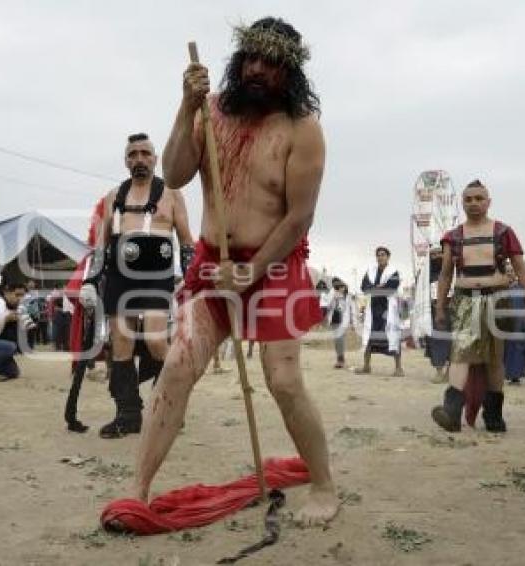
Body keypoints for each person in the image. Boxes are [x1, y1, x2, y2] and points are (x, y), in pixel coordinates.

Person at [115, 17, 336, 526]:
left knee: (283, 382)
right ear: (240, 60)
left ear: (290, 71)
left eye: (272, 63)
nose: (258, 69)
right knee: (176, 366)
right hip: (213, 266)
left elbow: (299, 216)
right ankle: (138, 489)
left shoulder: (303, 130)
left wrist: (254, 269)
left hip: (274, 265)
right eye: (251, 58)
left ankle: (324, 486)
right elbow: (174, 173)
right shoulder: (211, 112)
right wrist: (188, 105)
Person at [81, 132, 194, 439]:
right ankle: (128, 414)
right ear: (126, 160)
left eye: (145, 153)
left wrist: (194, 280)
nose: (140, 159)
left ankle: (169, 406)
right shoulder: (113, 197)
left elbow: (186, 242)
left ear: (155, 159)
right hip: (119, 277)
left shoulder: (170, 194)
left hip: (156, 276)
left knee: (158, 342)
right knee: (121, 344)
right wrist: (91, 281)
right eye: (134, 154)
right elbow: (101, 246)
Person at [431, 179, 525, 433]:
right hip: (465, 300)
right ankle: (452, 412)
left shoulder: (503, 232)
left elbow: (520, 268)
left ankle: (494, 417)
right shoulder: (453, 237)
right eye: (468, 199)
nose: (474, 203)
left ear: (488, 202)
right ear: (462, 203)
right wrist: (441, 308)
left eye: (479, 198)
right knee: (460, 353)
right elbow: (445, 275)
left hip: (497, 299)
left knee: (494, 359)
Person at [356, 247, 403, 376]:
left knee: (393, 337)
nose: (380, 257)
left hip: (388, 310)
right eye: (378, 255)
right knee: (368, 337)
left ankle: (398, 368)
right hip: (373, 310)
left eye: (383, 255)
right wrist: (378, 287)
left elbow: (391, 288)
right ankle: (366, 366)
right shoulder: (370, 271)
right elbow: (364, 287)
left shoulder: (393, 272)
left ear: (388, 257)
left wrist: (375, 288)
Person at [326, 278, 357, 368]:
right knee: (337, 341)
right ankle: (339, 359)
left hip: (344, 321)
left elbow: (353, 310)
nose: (341, 289)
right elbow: (328, 306)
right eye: (338, 287)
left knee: (340, 339)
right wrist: (334, 298)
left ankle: (341, 360)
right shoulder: (332, 294)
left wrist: (353, 323)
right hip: (334, 320)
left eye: (342, 287)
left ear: (344, 287)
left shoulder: (349, 296)